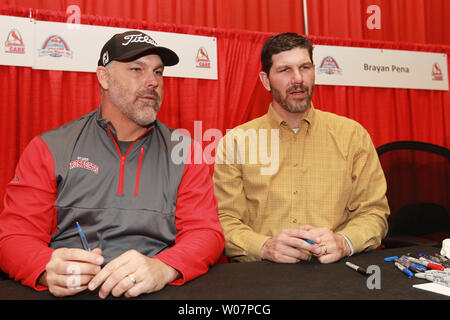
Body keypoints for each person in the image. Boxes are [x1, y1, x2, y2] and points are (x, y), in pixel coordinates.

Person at [0, 30, 224, 298]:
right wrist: (45, 267)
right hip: (76, 291)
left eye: (158, 72)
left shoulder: (186, 152)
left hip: (154, 290)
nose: (152, 82)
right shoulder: (49, 148)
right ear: (104, 78)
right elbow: (14, 236)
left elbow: (206, 232)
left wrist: (164, 267)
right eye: (137, 69)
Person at [213, 32, 389, 264]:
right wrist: (264, 247)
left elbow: (374, 213)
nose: (298, 79)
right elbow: (224, 220)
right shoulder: (235, 142)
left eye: (305, 67)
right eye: (285, 70)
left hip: (336, 272)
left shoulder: (352, 135)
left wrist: (344, 242)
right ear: (266, 80)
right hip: (263, 274)